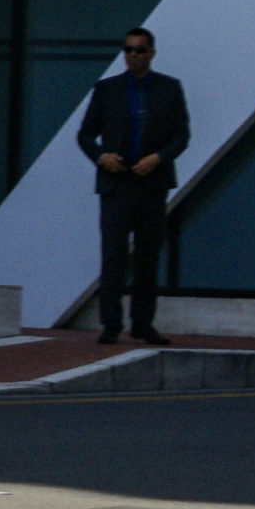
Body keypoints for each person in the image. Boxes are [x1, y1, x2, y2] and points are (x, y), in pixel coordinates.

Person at [75, 27, 190, 346]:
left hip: (152, 183)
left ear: (151, 52)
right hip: (116, 183)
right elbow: (85, 134)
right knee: (113, 255)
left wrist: (158, 158)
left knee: (148, 257)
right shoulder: (107, 89)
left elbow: (182, 135)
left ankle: (142, 323)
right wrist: (101, 157)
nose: (132, 55)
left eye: (139, 50)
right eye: (127, 50)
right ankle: (111, 324)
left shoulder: (169, 88)